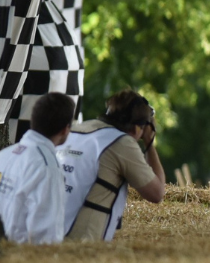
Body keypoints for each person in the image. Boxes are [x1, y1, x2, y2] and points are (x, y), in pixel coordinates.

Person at [60, 89, 165, 242]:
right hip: (81, 242)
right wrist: (149, 141)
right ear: (138, 128)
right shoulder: (122, 143)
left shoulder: (78, 129)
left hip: (48, 231)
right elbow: (157, 193)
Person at [0, 92, 74, 245]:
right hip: (19, 262)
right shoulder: (47, 167)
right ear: (65, 129)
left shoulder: (0, 157)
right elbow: (47, 237)